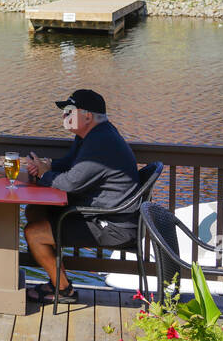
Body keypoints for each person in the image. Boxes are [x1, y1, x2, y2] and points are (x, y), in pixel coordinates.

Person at [22, 89, 140, 304]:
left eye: (69, 112)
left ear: (87, 116)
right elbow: (68, 165)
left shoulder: (101, 143)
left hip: (113, 225)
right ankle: (56, 279)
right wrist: (47, 166)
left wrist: (43, 173)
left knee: (34, 233)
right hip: (97, 212)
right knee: (34, 210)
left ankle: (65, 290)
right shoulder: (91, 136)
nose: (64, 116)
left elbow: (70, 183)